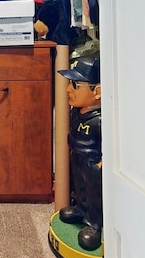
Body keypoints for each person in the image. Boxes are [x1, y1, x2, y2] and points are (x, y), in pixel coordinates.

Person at [58, 57, 102, 251]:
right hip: (77, 155)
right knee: (80, 186)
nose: (68, 89)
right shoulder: (77, 111)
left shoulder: (100, 120)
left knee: (95, 193)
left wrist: (102, 164)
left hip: (93, 162)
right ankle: (80, 209)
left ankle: (95, 224)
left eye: (75, 85)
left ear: (97, 91)